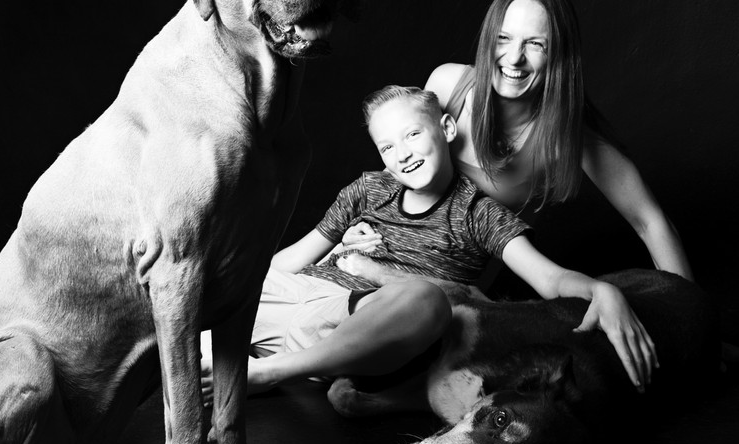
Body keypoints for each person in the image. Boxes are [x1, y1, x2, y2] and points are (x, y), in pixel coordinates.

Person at [344, 0, 739, 378]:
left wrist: (701, 332)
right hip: (385, 251)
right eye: (503, 39)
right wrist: (360, 225)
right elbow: (401, 165)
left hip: (454, 286)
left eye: (535, 43)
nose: (513, 58)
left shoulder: (570, 138)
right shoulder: (450, 84)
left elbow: (651, 222)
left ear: (558, 52)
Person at [212, 85, 658, 404]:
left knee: (424, 301)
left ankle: (267, 371)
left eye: (411, 135)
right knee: (220, 271)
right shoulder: (368, 189)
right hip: (290, 298)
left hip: (357, 319)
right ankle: (225, 353)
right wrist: (240, 273)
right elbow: (293, 259)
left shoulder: (477, 213)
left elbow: (550, 277)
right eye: (387, 147)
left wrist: (603, 290)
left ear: (446, 128)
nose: (402, 154)